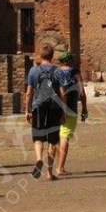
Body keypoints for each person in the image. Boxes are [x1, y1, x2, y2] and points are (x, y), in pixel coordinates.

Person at [25, 43, 65, 180]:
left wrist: (27, 110)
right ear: (52, 55)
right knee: (53, 141)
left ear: (41, 55)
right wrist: (64, 111)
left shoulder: (33, 71)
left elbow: (29, 92)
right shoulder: (57, 70)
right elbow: (62, 93)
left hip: (38, 107)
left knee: (38, 137)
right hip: (54, 107)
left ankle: (38, 159)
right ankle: (49, 172)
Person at [54, 50, 88, 175]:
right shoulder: (75, 72)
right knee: (65, 137)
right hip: (70, 109)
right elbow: (82, 92)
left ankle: (59, 164)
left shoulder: (55, 72)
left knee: (58, 137)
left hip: (55, 109)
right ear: (69, 61)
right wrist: (84, 107)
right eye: (72, 60)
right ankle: (60, 168)